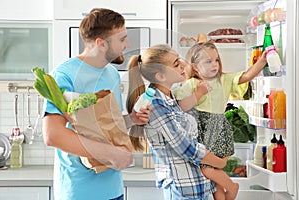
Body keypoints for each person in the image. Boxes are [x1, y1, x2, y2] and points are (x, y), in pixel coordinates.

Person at [42, 8, 150, 200]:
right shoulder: (63, 75)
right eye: (122, 39)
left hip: (114, 189)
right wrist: (112, 154)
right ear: (101, 44)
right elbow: (53, 135)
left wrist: (131, 119)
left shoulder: (112, 74)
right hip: (78, 193)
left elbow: (107, 126)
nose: (128, 44)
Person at [126, 44, 231, 200]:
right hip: (183, 190)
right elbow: (186, 147)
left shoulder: (170, 98)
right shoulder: (155, 104)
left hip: (194, 188)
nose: (183, 64)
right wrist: (220, 162)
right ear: (160, 76)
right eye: (176, 63)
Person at [173, 42, 267, 199]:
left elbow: (246, 76)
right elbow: (181, 105)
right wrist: (198, 93)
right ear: (195, 67)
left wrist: (262, 61)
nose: (215, 64)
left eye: (216, 60)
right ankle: (228, 192)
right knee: (213, 178)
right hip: (200, 131)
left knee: (207, 170)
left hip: (217, 129)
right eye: (208, 61)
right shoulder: (193, 84)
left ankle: (232, 187)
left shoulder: (224, 80)